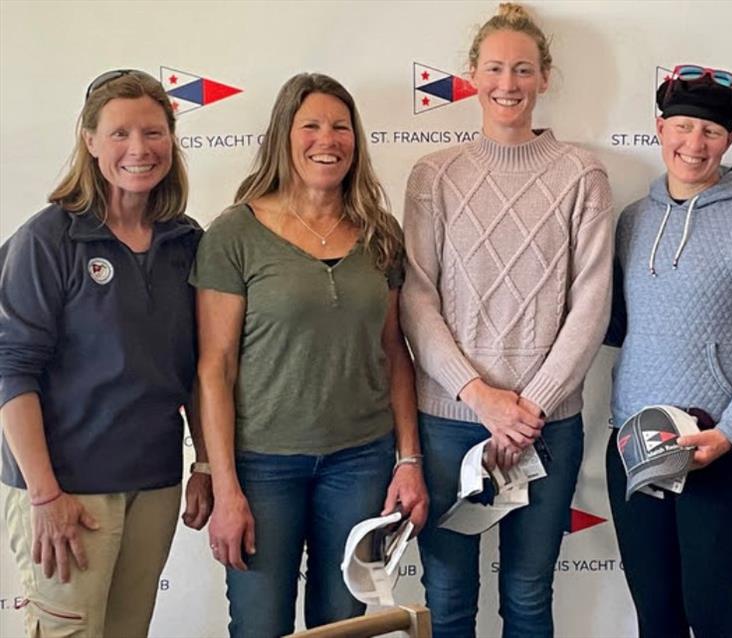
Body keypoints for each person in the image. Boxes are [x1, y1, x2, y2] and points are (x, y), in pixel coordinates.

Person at [400, 4, 614, 637]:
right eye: (494, 68)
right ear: (471, 75)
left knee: (526, 594)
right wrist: (481, 397)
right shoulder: (433, 175)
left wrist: (529, 409)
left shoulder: (583, 175)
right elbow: (416, 298)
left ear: (545, 77)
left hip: (546, 427)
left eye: (523, 69)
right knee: (447, 596)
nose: (508, 83)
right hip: (446, 425)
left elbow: (592, 303)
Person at [191, 72, 428, 638]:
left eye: (341, 126)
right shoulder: (235, 234)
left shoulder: (380, 234)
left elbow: (395, 352)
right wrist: (223, 484)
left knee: (343, 625)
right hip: (262, 465)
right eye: (312, 126)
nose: (329, 139)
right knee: (259, 623)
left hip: (360, 461)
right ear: (284, 137)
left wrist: (409, 459)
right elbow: (214, 368)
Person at [0, 69, 212, 638]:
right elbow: (10, 371)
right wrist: (45, 494)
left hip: (154, 482)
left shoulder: (185, 241)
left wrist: (207, 464)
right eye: (119, 134)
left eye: (153, 132)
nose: (139, 149)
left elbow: (199, 370)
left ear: (171, 138)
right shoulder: (48, 241)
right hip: (67, 490)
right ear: (90, 142)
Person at [605, 65, 732, 638]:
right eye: (683, 127)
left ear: (731, 141)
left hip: (719, 452)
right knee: (656, 621)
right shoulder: (633, 221)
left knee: (714, 622)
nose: (694, 144)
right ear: (659, 129)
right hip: (636, 450)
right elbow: (621, 327)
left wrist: (730, 432)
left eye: (711, 132)